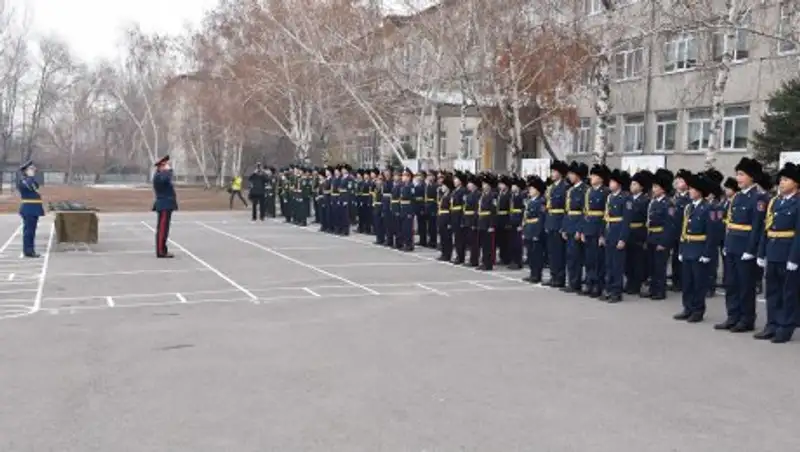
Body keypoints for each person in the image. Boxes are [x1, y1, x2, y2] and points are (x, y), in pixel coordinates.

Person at [716, 157, 766, 333]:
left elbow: (757, 228)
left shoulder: (759, 198)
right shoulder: (736, 197)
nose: (738, 178)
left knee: (745, 285)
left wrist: (751, 250)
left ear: (751, 177)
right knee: (731, 283)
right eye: (737, 174)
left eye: (741, 174)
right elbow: (729, 223)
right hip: (732, 245)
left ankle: (746, 319)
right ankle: (732, 316)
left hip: (745, 247)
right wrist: (727, 244)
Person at [756, 162, 800, 343]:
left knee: (788, 292)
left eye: (786, 179)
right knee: (772, 291)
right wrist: (761, 253)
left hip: (788, 252)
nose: (781, 183)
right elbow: (766, 229)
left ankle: (785, 327)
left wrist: (794, 257)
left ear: (796, 183)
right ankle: (772, 324)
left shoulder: (798, 203)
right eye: (781, 179)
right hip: (773, 251)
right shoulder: (775, 202)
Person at [674, 172, 720, 323]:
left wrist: (707, 253)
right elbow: (684, 229)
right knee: (687, 282)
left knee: (698, 283)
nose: (690, 191)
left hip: (700, 249)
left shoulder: (709, 208)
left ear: (700, 191)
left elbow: (712, 234)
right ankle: (687, 308)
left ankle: (698, 310)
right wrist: (681, 249)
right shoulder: (688, 207)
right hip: (688, 248)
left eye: (693, 189)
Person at [644, 169, 676, 300]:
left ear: (663, 189)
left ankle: (660, 291)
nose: (653, 189)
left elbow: (670, 225)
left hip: (661, 237)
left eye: (656, 186)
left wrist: (664, 242)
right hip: (652, 236)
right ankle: (653, 288)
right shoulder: (654, 202)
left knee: (660, 267)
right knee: (651, 265)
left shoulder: (668, 204)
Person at [603, 169, 632, 303]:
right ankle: (608, 289)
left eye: (613, 181)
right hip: (609, 232)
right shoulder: (610, 197)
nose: (610, 183)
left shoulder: (626, 198)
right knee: (608, 264)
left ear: (619, 184)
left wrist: (622, 238)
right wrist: (602, 235)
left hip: (618, 232)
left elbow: (626, 221)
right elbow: (606, 218)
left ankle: (616, 291)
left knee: (617, 265)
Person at [582, 164, 610, 298]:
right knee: (589, 259)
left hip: (599, 227)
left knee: (599, 259)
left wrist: (603, 234)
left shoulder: (606, 192)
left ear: (600, 178)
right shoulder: (589, 192)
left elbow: (607, 214)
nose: (591, 178)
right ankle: (589, 282)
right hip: (589, 227)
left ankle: (599, 285)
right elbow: (585, 212)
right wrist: (583, 230)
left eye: (594, 175)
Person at [562, 161, 588, 293]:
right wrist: (565, 228)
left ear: (577, 175)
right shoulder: (570, 190)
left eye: (571, 174)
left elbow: (585, 212)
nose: (569, 176)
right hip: (570, 224)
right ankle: (572, 281)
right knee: (570, 256)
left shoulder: (585, 190)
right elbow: (567, 210)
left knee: (577, 256)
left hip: (578, 224)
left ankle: (577, 282)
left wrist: (580, 229)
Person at [544, 160, 569, 287]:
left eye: (554, 171)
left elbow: (566, 209)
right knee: (552, 251)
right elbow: (548, 207)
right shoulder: (551, 187)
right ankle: (553, 275)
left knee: (559, 252)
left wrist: (563, 226)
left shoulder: (565, 187)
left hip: (559, 221)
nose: (552, 174)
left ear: (560, 173)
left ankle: (560, 278)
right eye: (552, 171)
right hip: (551, 221)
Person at [17, 160, 45, 258]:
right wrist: (30, 176)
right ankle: (28, 251)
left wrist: (31, 176)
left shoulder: (30, 180)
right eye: (31, 169)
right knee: (29, 231)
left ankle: (30, 250)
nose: (34, 170)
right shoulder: (25, 181)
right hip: (29, 209)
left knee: (31, 231)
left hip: (33, 209)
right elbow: (33, 187)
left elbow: (36, 186)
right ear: (26, 171)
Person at [152, 155, 178, 258]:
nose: (167, 166)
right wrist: (168, 171)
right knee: (162, 229)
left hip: (167, 205)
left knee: (164, 229)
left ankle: (163, 249)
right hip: (164, 205)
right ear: (160, 166)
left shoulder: (162, 175)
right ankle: (161, 251)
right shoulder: (159, 176)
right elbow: (166, 179)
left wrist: (167, 171)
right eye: (165, 165)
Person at [522, 175, 547, 283]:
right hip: (529, 229)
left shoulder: (541, 201)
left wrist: (537, 233)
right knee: (530, 254)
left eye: (532, 188)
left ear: (537, 190)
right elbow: (526, 217)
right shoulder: (530, 201)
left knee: (537, 254)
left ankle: (537, 275)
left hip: (536, 230)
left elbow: (541, 218)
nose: (530, 190)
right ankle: (532, 273)